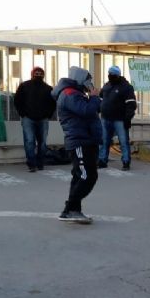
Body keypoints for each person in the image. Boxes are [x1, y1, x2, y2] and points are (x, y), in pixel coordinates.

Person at [51, 66, 102, 224]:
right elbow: (86, 111)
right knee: (87, 176)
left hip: (86, 139)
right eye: (88, 80)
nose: (90, 84)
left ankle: (73, 210)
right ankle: (70, 209)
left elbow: (92, 110)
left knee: (80, 176)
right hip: (79, 140)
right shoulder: (69, 94)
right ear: (80, 79)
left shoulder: (75, 93)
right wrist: (93, 97)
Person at [14, 66, 56, 172]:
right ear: (32, 74)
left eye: (40, 74)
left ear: (43, 75)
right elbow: (17, 100)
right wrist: (22, 114)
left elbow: (52, 103)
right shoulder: (24, 86)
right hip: (28, 118)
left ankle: (40, 162)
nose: (38, 75)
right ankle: (31, 163)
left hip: (43, 119)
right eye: (36, 74)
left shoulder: (48, 88)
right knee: (29, 141)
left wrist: (48, 115)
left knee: (42, 143)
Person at [98, 65, 136, 170]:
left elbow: (131, 104)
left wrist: (127, 118)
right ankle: (102, 160)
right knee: (104, 141)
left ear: (118, 75)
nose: (110, 76)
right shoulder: (106, 86)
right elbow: (101, 98)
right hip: (105, 118)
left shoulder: (126, 87)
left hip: (120, 120)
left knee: (123, 141)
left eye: (113, 74)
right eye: (109, 74)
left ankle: (126, 162)